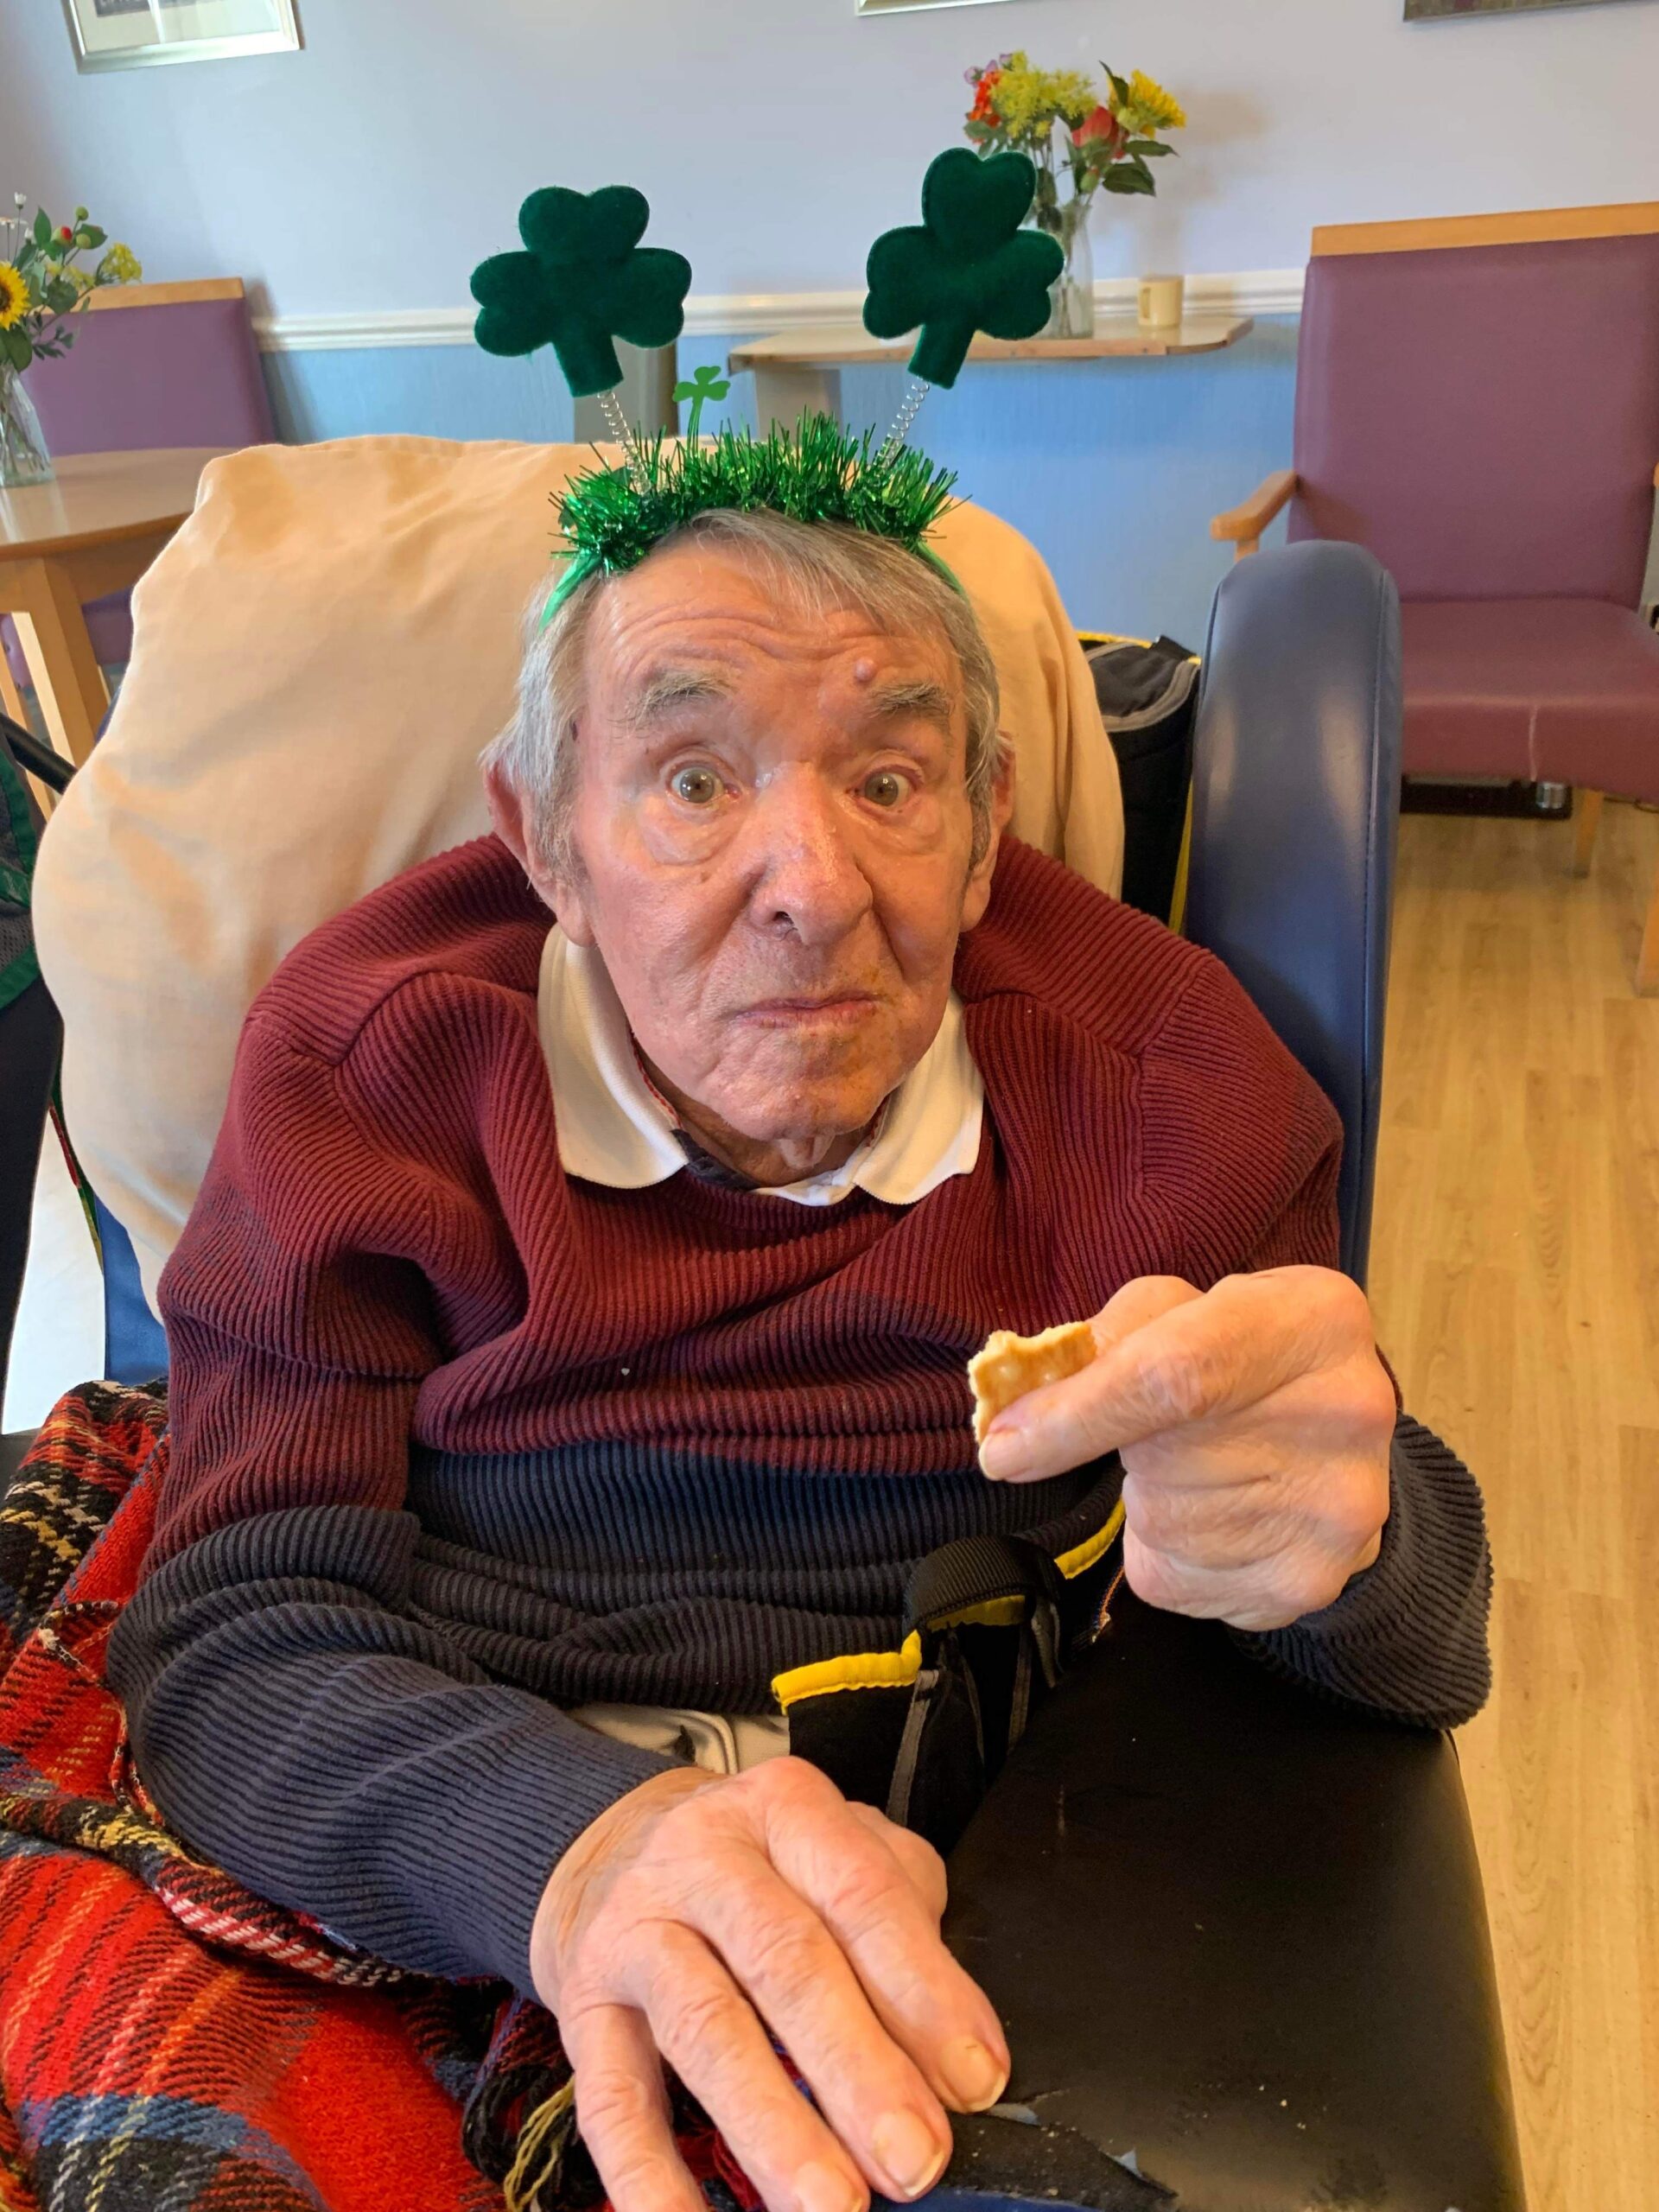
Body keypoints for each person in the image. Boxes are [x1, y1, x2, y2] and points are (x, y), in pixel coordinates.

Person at [106, 503, 1491, 2212]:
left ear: (983, 831)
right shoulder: (363, 1073)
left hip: (977, 1837)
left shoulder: (1160, 1082)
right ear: (545, 839)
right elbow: (234, 1629)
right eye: (693, 781)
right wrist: (571, 1848)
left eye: (889, 782)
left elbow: (1419, 1637)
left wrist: (1352, 1526)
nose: (815, 891)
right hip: (459, 1817)